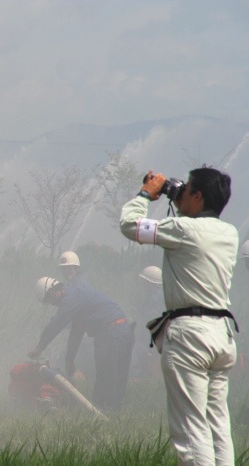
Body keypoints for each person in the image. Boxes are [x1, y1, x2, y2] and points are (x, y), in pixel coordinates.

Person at [120, 167, 238, 465]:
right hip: (221, 335)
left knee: (191, 428)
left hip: (190, 337)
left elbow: (130, 225)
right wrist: (176, 199)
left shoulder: (183, 230)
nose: (180, 192)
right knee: (218, 427)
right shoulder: (229, 232)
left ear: (197, 196)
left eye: (187, 189)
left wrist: (147, 193)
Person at [27, 276, 134, 411]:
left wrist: (39, 347)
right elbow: (76, 333)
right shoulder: (77, 297)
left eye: (48, 300)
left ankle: (103, 413)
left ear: (52, 293)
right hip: (124, 331)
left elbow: (57, 323)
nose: (51, 304)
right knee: (117, 376)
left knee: (106, 375)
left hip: (110, 333)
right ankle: (113, 413)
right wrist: (69, 359)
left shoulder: (71, 299)